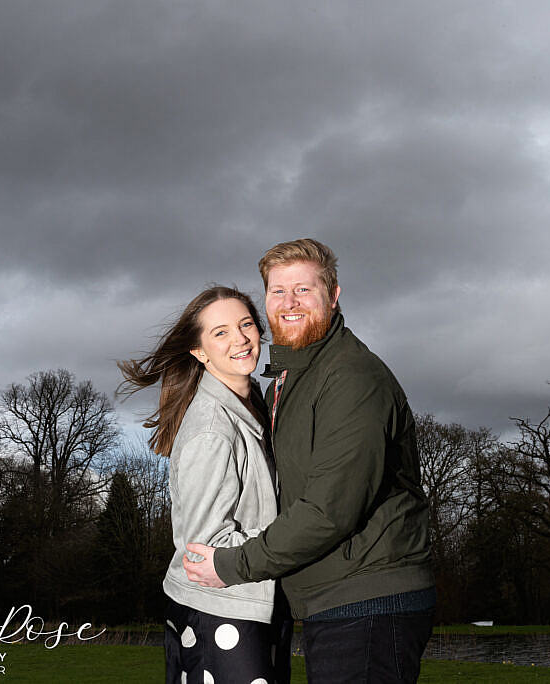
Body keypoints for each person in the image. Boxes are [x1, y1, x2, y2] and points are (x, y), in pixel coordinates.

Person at [184, 239, 435, 683]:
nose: (289, 303)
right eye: (278, 292)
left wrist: (230, 565)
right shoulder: (290, 379)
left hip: (369, 597)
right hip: (332, 598)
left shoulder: (351, 378)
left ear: (333, 295)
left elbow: (329, 510)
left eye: (304, 290)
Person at [118, 285, 291, 684]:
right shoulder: (212, 427)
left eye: (246, 324)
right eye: (221, 332)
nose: (240, 339)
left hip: (250, 603)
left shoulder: (253, 408)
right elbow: (202, 545)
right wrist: (292, 540)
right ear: (199, 351)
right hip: (221, 611)